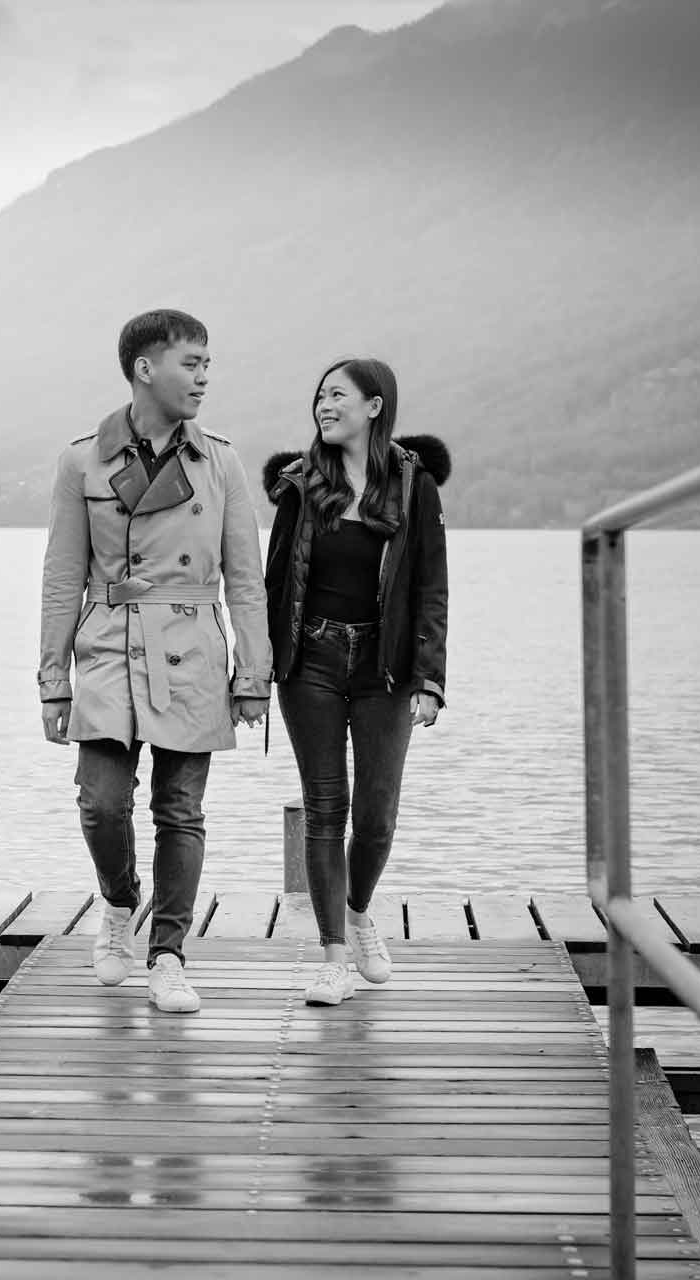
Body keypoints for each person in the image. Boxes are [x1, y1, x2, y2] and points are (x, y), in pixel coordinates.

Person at [38, 308, 272, 1014]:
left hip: (192, 645)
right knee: (101, 802)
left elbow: (245, 578)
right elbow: (61, 576)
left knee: (181, 809)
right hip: (109, 642)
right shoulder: (82, 460)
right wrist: (53, 681)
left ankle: (168, 954)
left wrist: (253, 674)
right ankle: (119, 903)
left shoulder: (221, 460)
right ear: (146, 368)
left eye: (208, 364)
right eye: (191, 363)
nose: (204, 377)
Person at [262, 356, 449, 1006]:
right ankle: (334, 956)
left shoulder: (414, 487)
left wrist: (430, 679)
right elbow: (276, 580)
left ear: (375, 405)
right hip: (309, 662)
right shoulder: (299, 484)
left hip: (385, 669)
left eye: (337, 394)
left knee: (376, 818)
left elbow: (430, 590)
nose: (323, 404)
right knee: (325, 810)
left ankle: (361, 910)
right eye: (319, 395)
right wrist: (260, 666)